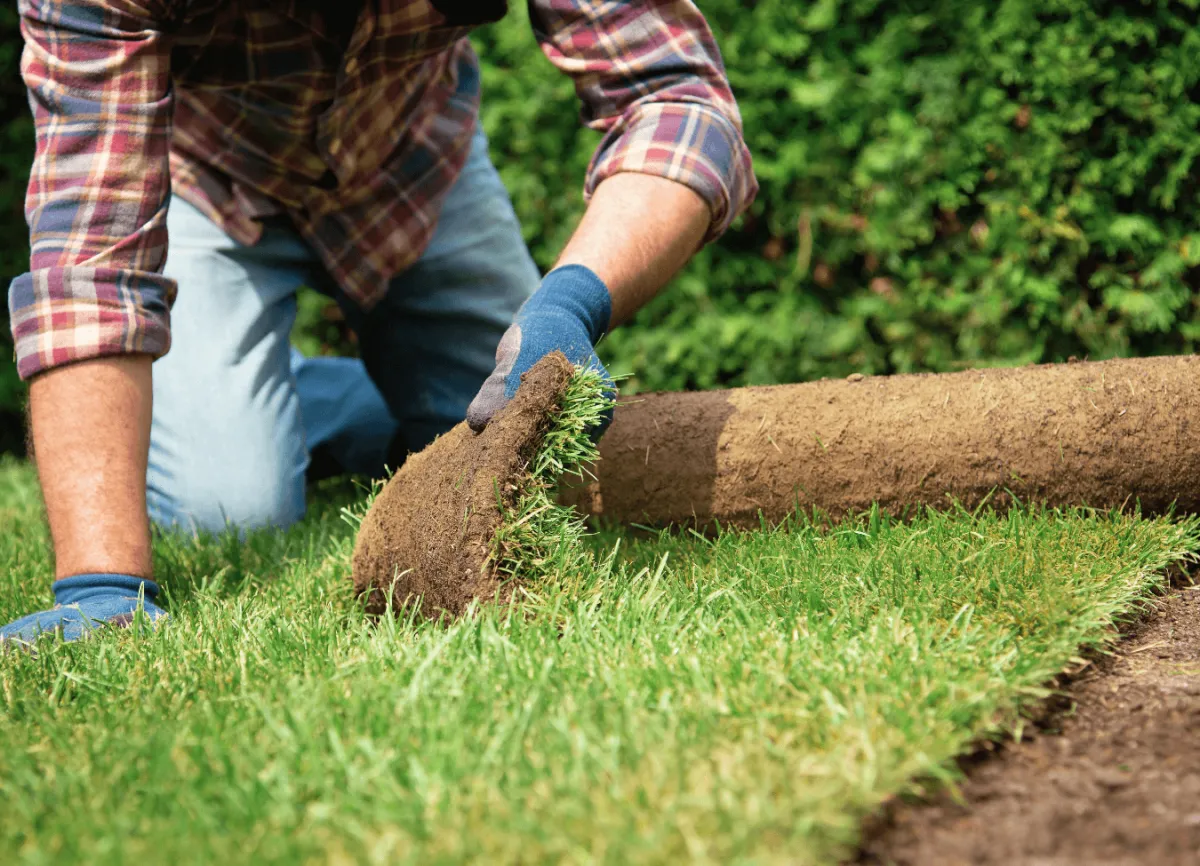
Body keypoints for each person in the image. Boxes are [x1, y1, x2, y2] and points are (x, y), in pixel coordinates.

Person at [1, 0, 756, 643]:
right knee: (233, 504)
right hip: (208, 184)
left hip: (416, 165)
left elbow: (679, 101)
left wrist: (570, 307)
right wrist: (99, 585)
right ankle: (259, 399)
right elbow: (90, 258)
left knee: (539, 457)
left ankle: (290, 398)